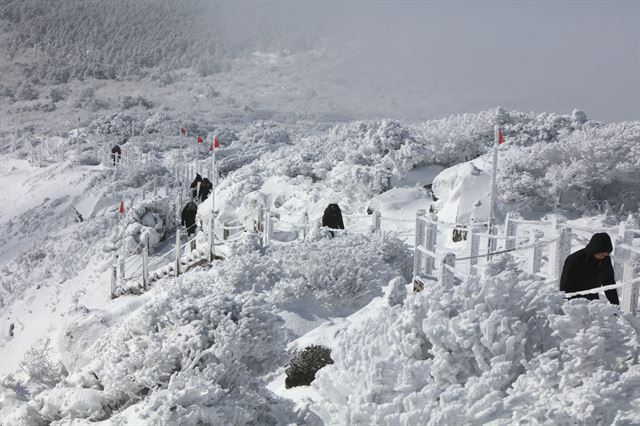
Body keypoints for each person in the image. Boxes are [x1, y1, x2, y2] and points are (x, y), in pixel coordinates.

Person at [560, 232, 619, 304]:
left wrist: (615, 305)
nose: (603, 256)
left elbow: (609, 283)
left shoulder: (605, 260)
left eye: (606, 254)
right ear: (595, 249)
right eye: (601, 253)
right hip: (574, 301)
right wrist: (564, 304)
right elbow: (565, 285)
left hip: (592, 301)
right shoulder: (574, 259)